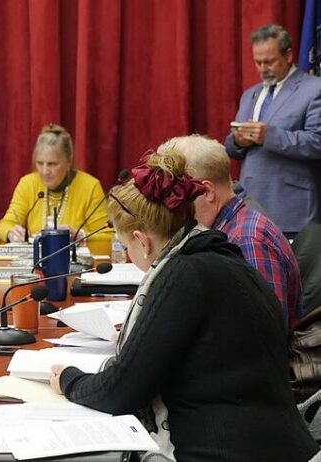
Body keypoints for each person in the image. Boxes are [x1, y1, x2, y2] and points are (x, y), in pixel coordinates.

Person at [49, 149, 318, 461]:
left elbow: (123, 390)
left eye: (125, 246)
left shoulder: (183, 274)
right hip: (278, 444)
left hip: (225, 449)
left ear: (142, 240)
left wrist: (69, 379)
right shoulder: (224, 256)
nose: (128, 255)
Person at [159, 134, 303, 330]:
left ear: (207, 192)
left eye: (174, 193)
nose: (169, 205)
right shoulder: (224, 229)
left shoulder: (246, 240)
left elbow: (263, 336)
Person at [224, 24, 321, 237]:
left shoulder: (314, 89)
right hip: (249, 208)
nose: (262, 68)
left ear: (288, 55)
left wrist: (268, 136)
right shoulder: (251, 94)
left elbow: (317, 142)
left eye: (269, 61)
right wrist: (239, 141)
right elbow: (230, 147)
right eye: (257, 62)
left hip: (293, 210)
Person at [0, 123, 113, 253]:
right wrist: (11, 232)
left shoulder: (90, 187)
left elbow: (109, 237)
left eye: (52, 164)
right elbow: (4, 225)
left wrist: (80, 237)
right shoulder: (28, 184)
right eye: (40, 163)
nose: (45, 171)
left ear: (68, 162)